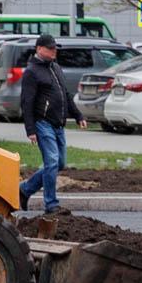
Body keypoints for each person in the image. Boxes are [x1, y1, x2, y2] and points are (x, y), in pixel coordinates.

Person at [19, 35, 85, 213]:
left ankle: (24, 190)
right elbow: (26, 102)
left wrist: (78, 115)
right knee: (52, 161)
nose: (54, 51)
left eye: (55, 48)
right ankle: (51, 204)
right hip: (43, 123)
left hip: (58, 124)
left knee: (59, 163)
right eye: (50, 48)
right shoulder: (32, 72)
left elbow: (65, 94)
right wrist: (30, 129)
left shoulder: (55, 67)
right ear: (39, 49)